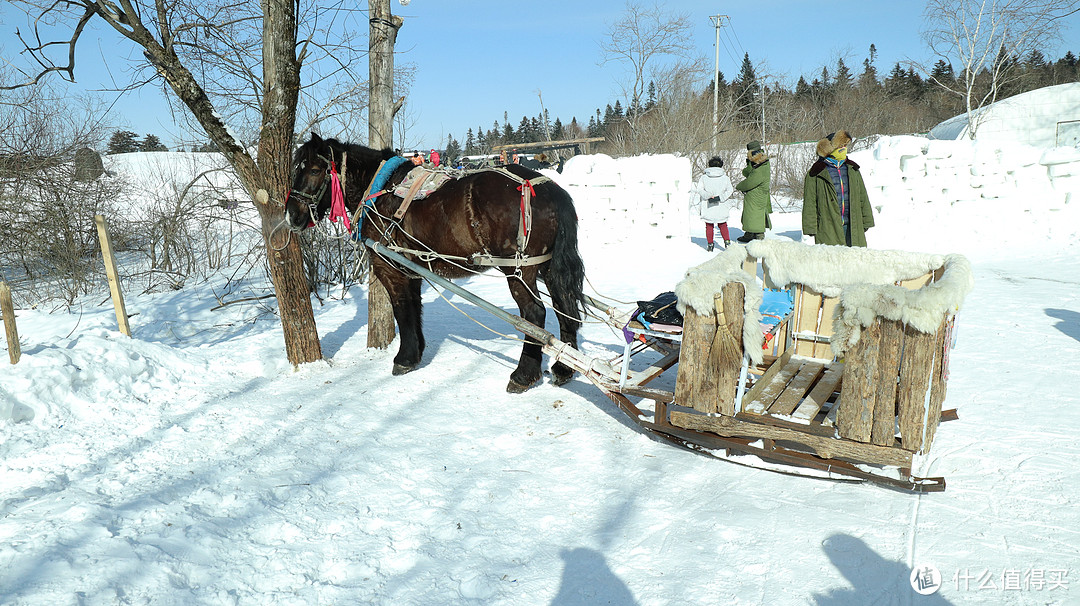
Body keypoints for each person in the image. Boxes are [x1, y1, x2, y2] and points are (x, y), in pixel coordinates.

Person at [802, 130, 875, 247]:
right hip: (828, 227)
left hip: (852, 225)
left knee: (854, 261)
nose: (844, 148)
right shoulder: (816, 172)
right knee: (832, 262)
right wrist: (810, 227)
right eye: (841, 146)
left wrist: (866, 220)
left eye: (845, 145)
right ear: (830, 149)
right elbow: (810, 202)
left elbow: (862, 197)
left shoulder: (852, 169)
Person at [690, 156, 735, 251]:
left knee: (709, 225)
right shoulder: (725, 178)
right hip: (721, 205)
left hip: (708, 204)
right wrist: (721, 197)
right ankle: (727, 242)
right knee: (722, 224)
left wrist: (708, 196)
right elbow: (730, 190)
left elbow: (699, 189)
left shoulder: (704, 177)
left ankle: (710, 244)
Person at [734, 140, 772, 242]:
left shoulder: (761, 167)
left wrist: (739, 186)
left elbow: (750, 181)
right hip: (755, 194)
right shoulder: (760, 162)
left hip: (757, 194)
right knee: (750, 214)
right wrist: (749, 163)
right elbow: (748, 173)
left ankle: (758, 235)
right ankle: (749, 233)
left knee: (755, 214)